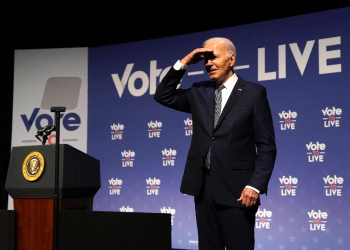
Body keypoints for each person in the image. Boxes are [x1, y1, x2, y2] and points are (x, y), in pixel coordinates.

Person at [154, 37, 276, 250]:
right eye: (205, 59)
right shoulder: (199, 91)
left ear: (232, 59)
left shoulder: (254, 93)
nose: (208, 63)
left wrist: (255, 185)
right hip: (203, 187)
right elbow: (163, 95)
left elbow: (266, 146)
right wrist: (184, 62)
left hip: (239, 190)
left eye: (214, 57)